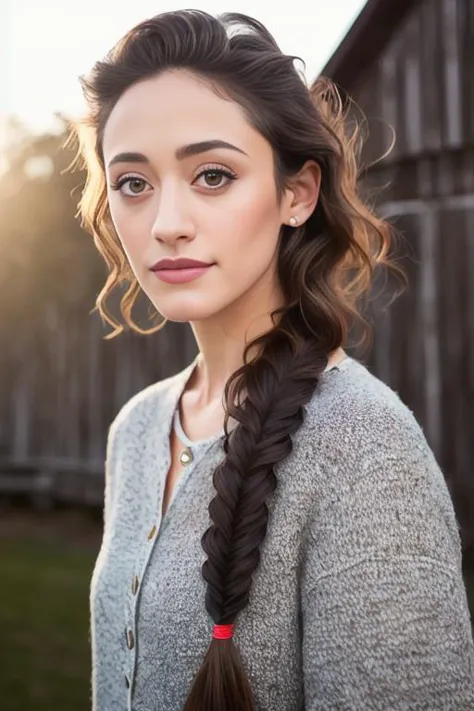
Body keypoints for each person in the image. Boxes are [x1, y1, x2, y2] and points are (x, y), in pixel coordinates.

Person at [72, 9, 474, 711]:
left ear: (297, 194)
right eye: (133, 183)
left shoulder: (365, 448)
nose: (166, 222)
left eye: (213, 175)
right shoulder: (136, 429)